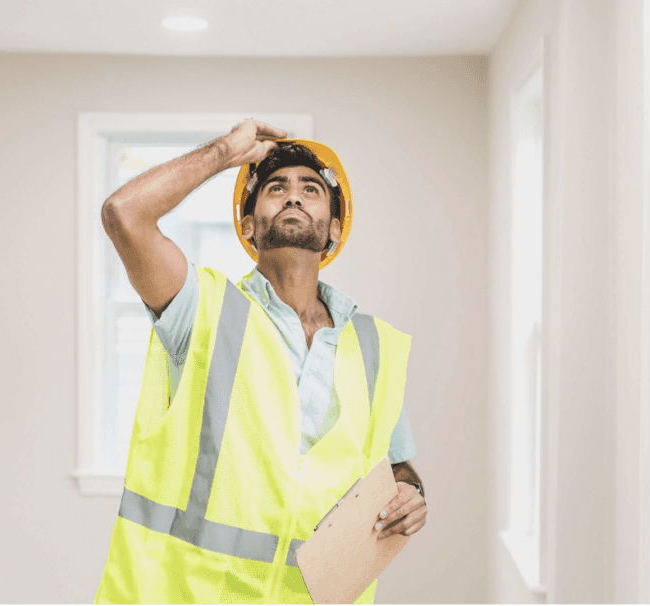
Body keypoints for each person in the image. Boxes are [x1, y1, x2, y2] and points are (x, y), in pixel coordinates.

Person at [94, 120, 426, 603]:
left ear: (334, 229)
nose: (293, 197)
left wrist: (413, 496)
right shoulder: (202, 310)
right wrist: (225, 151)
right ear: (247, 225)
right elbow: (124, 214)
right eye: (275, 188)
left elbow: (397, 468)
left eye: (311, 189)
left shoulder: (375, 347)